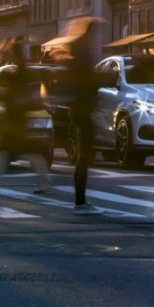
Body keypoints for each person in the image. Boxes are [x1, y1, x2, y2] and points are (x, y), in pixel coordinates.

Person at [0, 42, 51, 195]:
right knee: (23, 152)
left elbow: (8, 80)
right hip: (15, 119)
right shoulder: (21, 71)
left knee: (8, 152)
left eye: (10, 53)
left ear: (14, 54)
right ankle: (43, 180)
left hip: (15, 120)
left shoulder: (19, 72)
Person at [60, 16, 106, 215]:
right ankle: (80, 201)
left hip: (81, 111)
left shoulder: (78, 52)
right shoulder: (83, 54)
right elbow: (86, 81)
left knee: (84, 157)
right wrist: (101, 80)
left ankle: (81, 200)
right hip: (83, 111)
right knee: (84, 157)